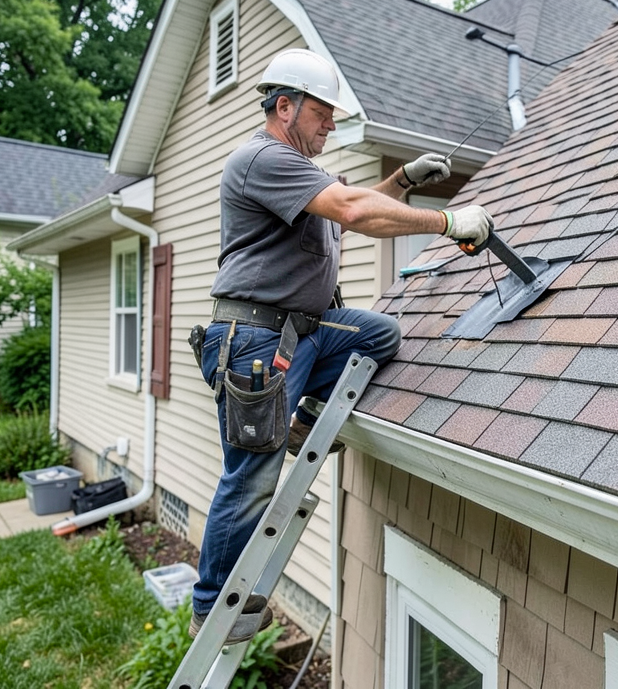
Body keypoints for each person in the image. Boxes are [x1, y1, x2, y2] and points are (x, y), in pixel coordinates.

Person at [190, 47, 493, 642]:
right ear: (286, 107)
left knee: (377, 332)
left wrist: (403, 180)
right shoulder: (262, 158)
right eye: (322, 113)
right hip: (256, 339)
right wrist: (449, 223)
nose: (331, 124)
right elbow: (354, 212)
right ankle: (211, 608)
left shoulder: (297, 177)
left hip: (302, 330)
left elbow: (349, 210)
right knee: (251, 476)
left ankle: (300, 423)